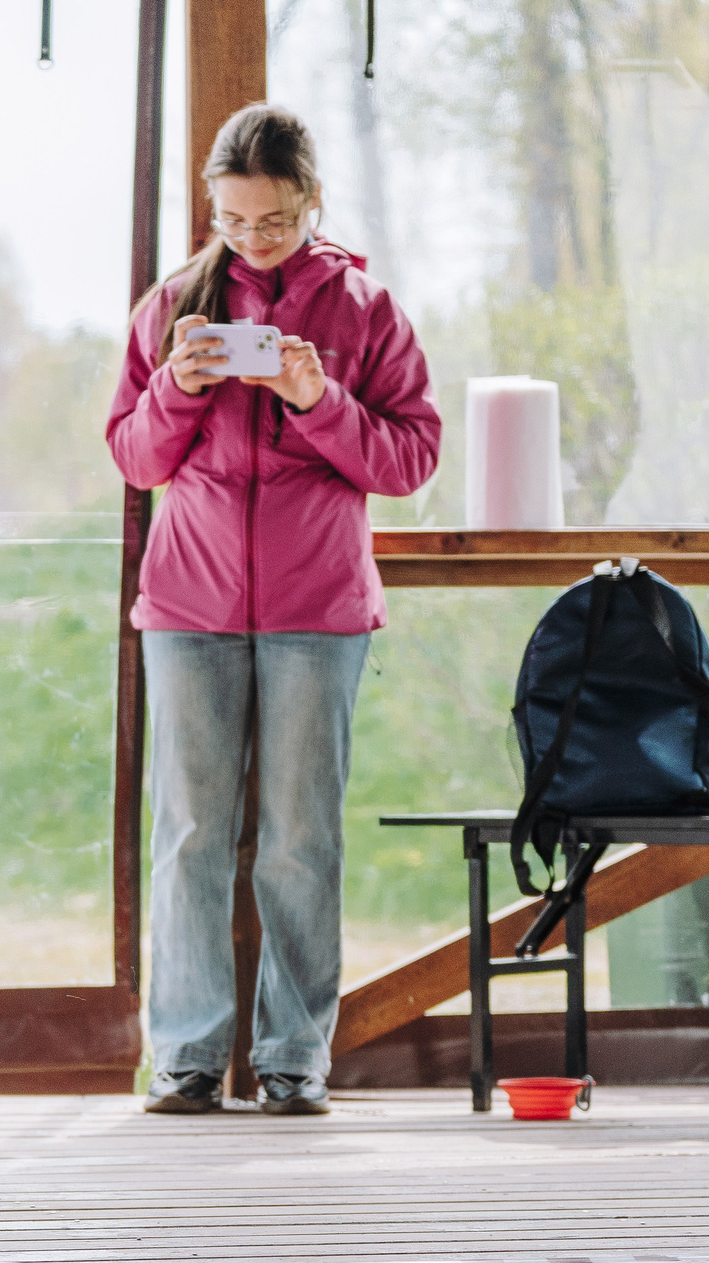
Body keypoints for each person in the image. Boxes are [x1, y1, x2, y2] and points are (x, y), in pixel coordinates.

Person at [105, 103, 440, 1117]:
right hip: (189, 608)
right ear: (213, 207)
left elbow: (412, 456)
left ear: (312, 204)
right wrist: (177, 387)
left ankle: (294, 1056)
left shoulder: (364, 311)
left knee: (300, 837)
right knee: (193, 833)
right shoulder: (170, 305)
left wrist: (316, 399)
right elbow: (134, 455)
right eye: (236, 220)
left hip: (317, 611)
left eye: (276, 221)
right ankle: (189, 1058)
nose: (254, 239)